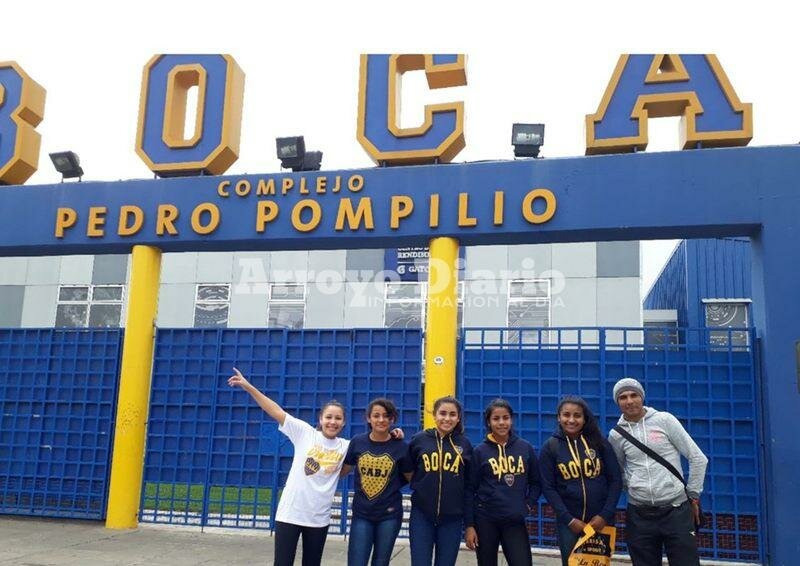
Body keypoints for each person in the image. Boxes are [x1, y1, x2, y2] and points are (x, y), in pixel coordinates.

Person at [227, 367, 348, 566]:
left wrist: (395, 434)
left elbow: (370, 447)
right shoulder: (305, 433)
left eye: (338, 418)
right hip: (290, 513)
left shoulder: (346, 446)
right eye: (329, 417)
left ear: (343, 423)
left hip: (318, 518)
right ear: (320, 419)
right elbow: (274, 409)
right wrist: (248, 387)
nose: (332, 422)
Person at [608, 377, 708, 566]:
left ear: (642, 397)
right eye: (623, 397)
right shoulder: (616, 435)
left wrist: (693, 495)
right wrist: (635, 487)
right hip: (639, 515)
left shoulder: (664, 420)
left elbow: (698, 458)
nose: (629, 401)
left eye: (633, 395)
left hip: (676, 510)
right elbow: (618, 472)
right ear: (617, 402)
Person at [539, 395, 622, 566]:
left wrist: (604, 515)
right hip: (569, 524)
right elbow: (548, 487)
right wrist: (568, 519)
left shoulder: (600, 443)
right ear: (558, 417)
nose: (571, 420)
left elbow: (615, 480)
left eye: (577, 415)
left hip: (600, 521)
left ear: (585, 419)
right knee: (571, 564)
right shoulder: (551, 447)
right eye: (566, 415)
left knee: (598, 564)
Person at [465, 398, 540, 566]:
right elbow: (470, 489)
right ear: (488, 422)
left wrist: (527, 504)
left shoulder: (525, 448)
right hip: (485, 521)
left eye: (505, 418)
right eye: (496, 418)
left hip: (514, 521)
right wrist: (469, 525)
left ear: (511, 420)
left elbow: (536, 482)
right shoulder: (480, 452)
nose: (501, 423)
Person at [341, 398, 413, 566]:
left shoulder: (401, 447)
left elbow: (412, 478)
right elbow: (342, 471)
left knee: (381, 562)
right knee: (356, 561)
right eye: (376, 415)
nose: (381, 420)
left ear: (392, 419)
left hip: (389, 515)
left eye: (386, 416)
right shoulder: (358, 442)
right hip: (362, 514)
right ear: (368, 418)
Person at [407, 396, 473, 566]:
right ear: (434, 415)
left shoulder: (465, 445)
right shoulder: (419, 440)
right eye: (442, 413)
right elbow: (406, 468)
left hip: (452, 519)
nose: (447, 418)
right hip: (422, 516)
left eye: (452, 414)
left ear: (458, 418)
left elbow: (468, 487)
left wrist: (470, 523)